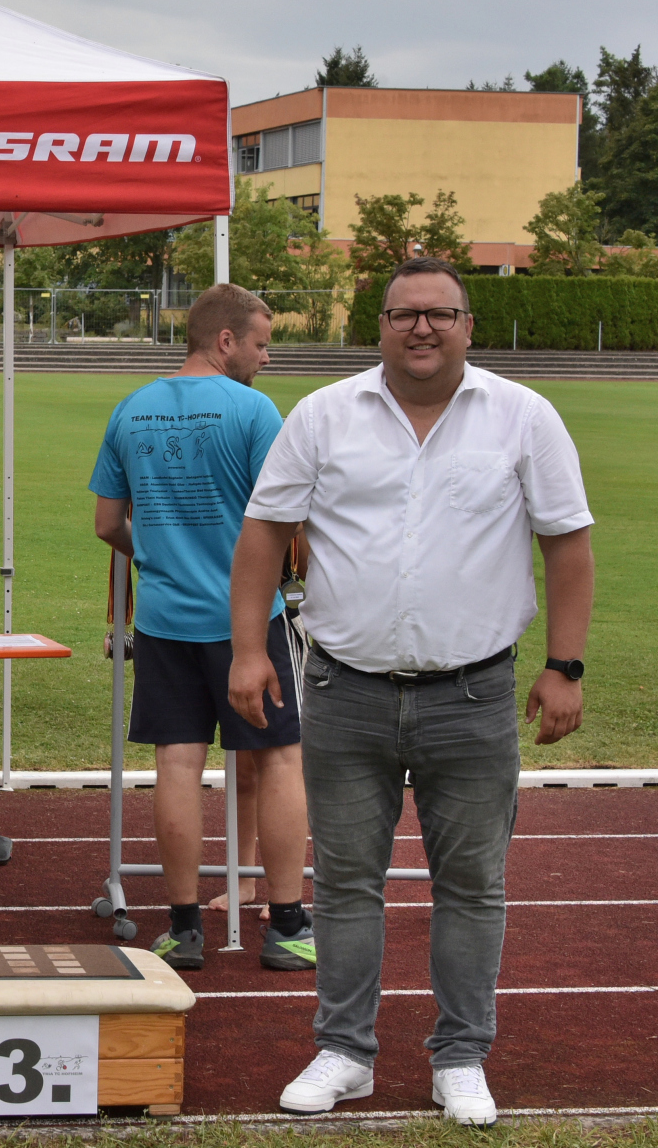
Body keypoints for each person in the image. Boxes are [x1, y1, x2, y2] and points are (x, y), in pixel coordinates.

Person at [231, 256, 595, 1125]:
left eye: (439, 313)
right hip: (345, 688)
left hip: (472, 695)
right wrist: (247, 649)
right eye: (404, 314)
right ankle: (345, 1051)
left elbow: (567, 544)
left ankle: (461, 1056)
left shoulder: (523, 417)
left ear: (468, 325)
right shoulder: (324, 415)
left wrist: (565, 665)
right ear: (382, 326)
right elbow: (264, 533)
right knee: (345, 883)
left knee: (471, 886)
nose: (422, 328)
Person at [89, 283, 314, 973]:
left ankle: (184, 927)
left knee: (177, 766)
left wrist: (160, 554)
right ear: (225, 340)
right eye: (261, 344)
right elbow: (286, 520)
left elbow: (107, 523)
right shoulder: (254, 411)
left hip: (164, 621)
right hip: (249, 622)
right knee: (279, 760)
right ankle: (287, 924)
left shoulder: (131, 408)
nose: (266, 357)